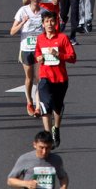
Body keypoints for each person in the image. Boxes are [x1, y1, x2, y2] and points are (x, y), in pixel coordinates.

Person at [34, 10, 76, 148]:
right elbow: (37, 53)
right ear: (43, 24)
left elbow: (72, 57)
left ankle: (56, 128)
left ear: (56, 22)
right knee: (45, 106)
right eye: (46, 22)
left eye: (52, 21)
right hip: (45, 77)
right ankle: (47, 136)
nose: (49, 24)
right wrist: (39, 57)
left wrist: (59, 54)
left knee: (57, 107)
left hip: (60, 78)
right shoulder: (40, 38)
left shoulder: (62, 38)